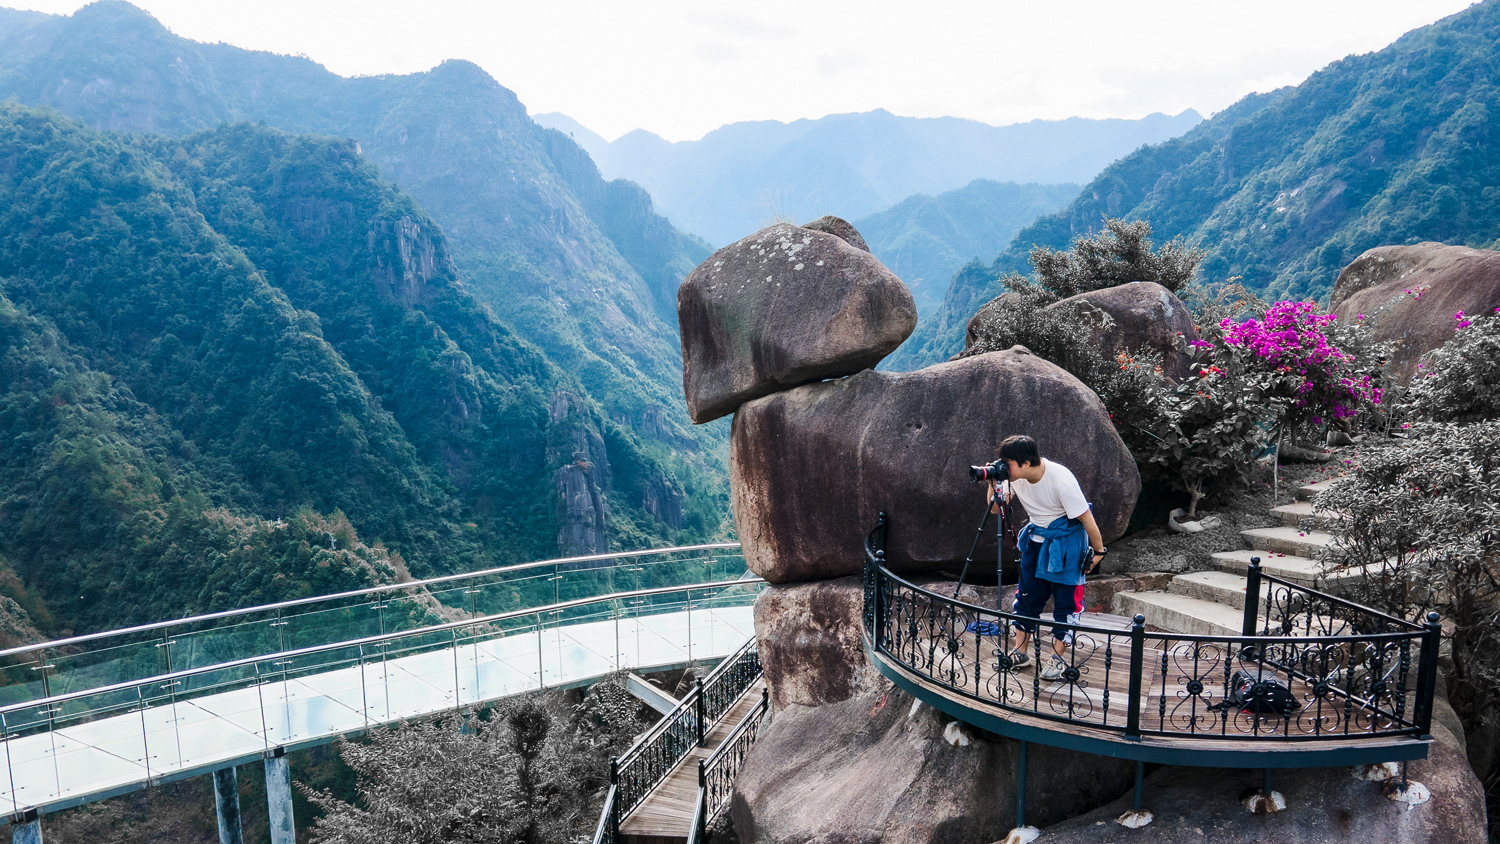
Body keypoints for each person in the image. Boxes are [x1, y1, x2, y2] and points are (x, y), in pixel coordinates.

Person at [987, 435, 1107, 681]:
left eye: (1007, 463)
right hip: (1036, 542)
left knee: (1066, 603)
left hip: (1066, 545)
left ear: (1026, 463)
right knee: (1027, 598)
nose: (1004, 467)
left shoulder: (1060, 479)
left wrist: (1099, 552)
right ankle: (1020, 653)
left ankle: (1058, 658)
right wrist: (993, 480)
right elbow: (994, 508)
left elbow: (1087, 519)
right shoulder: (1015, 476)